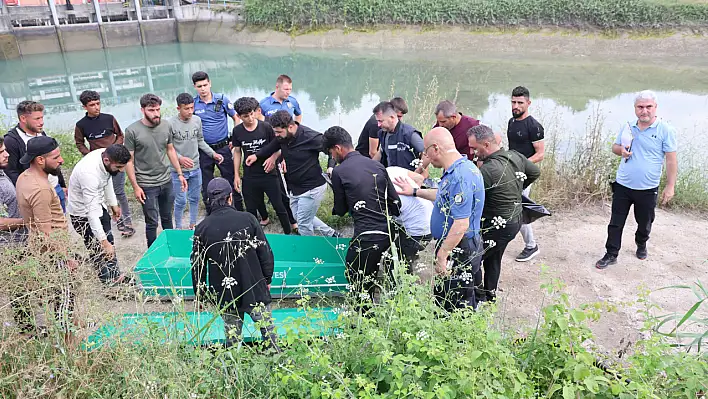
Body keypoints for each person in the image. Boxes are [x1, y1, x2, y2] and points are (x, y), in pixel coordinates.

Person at [395, 127, 485, 310]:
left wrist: (442, 255)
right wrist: (414, 191)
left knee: (455, 301)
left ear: (435, 148)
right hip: (454, 243)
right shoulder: (457, 168)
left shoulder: (461, 176)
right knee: (445, 294)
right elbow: (443, 195)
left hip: (460, 245)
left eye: (426, 152)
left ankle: (458, 336)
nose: (425, 158)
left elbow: (461, 223)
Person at [190, 178, 279, 349]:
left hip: (225, 291)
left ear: (208, 200)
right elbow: (265, 253)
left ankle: (233, 371)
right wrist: (267, 279)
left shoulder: (202, 228)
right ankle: (276, 362)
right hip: (254, 286)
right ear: (230, 197)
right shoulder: (248, 219)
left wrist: (200, 294)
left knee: (232, 338)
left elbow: (197, 265)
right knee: (268, 332)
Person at [596, 90, 678, 269]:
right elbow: (615, 147)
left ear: (655, 108)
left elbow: (671, 159)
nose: (644, 111)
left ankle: (641, 243)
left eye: (649, 107)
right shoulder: (628, 127)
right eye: (640, 107)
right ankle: (611, 253)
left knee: (645, 222)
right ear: (635, 109)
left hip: (648, 188)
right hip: (623, 185)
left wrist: (670, 186)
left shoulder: (665, 130)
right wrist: (621, 151)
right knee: (615, 223)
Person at [324, 126, 401, 300]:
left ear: (337, 148)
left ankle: (364, 316)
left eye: (331, 153)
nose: (333, 158)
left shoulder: (339, 172)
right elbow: (396, 203)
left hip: (367, 236)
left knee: (354, 276)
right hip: (388, 233)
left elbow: (341, 210)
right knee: (370, 270)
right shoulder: (377, 165)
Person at [468, 124, 540, 301]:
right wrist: (517, 187)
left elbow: (470, 198)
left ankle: (478, 298)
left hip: (497, 224)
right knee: (494, 258)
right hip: (515, 220)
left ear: (486, 144)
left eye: (474, 148)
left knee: (472, 259)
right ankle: (490, 295)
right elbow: (535, 172)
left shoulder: (487, 170)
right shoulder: (515, 156)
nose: (472, 152)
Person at [15, 136, 77, 336]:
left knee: (61, 299)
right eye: (56, 157)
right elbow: (45, 232)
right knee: (65, 300)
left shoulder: (25, 176)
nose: (62, 161)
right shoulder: (40, 189)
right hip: (54, 253)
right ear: (40, 160)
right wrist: (67, 258)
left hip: (43, 249)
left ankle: (71, 327)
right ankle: (69, 344)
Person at [245, 110, 339, 237]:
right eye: (275, 132)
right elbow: (272, 147)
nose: (276, 135)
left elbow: (332, 150)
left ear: (290, 126)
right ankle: (332, 234)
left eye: (278, 132)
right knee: (299, 216)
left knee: (303, 224)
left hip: (312, 187)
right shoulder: (282, 137)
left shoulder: (310, 137)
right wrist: (256, 155)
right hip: (294, 187)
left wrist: (330, 167)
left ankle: (309, 251)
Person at [124, 94, 187, 248]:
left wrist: (179, 174)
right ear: (143, 110)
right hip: (146, 184)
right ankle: (152, 253)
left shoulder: (166, 126)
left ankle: (172, 248)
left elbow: (170, 150)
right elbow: (129, 161)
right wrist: (136, 187)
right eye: (151, 110)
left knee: (167, 217)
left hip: (166, 180)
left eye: (158, 109)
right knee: (151, 221)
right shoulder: (132, 131)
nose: (156, 113)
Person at [73, 90, 135, 237]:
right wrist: (89, 156)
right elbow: (79, 143)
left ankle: (127, 222)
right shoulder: (81, 125)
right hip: (100, 165)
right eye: (92, 105)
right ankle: (114, 223)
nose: (96, 107)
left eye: (98, 103)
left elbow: (120, 135)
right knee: (103, 194)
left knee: (119, 192)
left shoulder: (109, 119)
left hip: (115, 161)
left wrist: (113, 150)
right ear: (84, 107)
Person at [67, 145, 131, 285]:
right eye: (119, 167)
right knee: (97, 247)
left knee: (110, 241)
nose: (121, 171)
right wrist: (103, 241)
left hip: (99, 206)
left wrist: (113, 205)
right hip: (82, 214)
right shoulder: (89, 173)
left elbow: (106, 180)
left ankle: (115, 276)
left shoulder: (104, 156)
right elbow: (92, 214)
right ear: (107, 160)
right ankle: (107, 283)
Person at [231, 97, 292, 234]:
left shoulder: (266, 127)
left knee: (279, 205)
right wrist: (236, 174)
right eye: (246, 116)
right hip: (250, 175)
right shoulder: (237, 131)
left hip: (269, 173)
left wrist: (273, 158)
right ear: (240, 117)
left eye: (252, 114)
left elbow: (278, 146)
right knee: (251, 208)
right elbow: (237, 152)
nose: (251, 118)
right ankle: (254, 237)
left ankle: (288, 233)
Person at [169, 93, 224, 230]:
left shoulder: (197, 120)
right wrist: (180, 158)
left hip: (195, 168)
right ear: (178, 108)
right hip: (178, 170)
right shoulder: (170, 124)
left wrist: (213, 154)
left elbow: (200, 140)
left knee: (194, 198)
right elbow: (167, 147)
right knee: (181, 201)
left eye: (191, 108)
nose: (189, 111)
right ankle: (178, 227)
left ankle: (193, 224)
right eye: (186, 108)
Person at [191, 71, 243, 211]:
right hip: (203, 150)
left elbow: (236, 118)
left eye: (205, 85)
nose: (203, 88)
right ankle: (212, 212)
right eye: (199, 86)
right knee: (206, 183)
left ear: (210, 84)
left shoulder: (222, 99)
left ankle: (237, 210)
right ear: (195, 87)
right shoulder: (193, 104)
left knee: (231, 179)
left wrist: (234, 138)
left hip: (223, 147)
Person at [3, 101, 68, 212]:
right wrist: (27, 193)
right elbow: (12, 172)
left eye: (42, 118)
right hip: (37, 193)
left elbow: (54, 159)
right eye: (37, 119)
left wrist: (62, 184)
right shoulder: (11, 140)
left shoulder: (40, 133)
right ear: (23, 118)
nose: (41, 122)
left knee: (61, 223)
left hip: (55, 188)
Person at [507, 86, 545, 262]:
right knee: (510, 207)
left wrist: (522, 166)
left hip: (523, 176)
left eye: (520, 103)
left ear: (528, 103)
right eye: (513, 102)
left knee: (519, 210)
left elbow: (540, 153)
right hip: (510, 172)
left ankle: (531, 246)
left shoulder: (534, 126)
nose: (516, 106)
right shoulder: (511, 122)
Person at [386, 166, 433, 270]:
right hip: (430, 220)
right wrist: (413, 197)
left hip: (419, 231)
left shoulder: (379, 186)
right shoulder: (391, 170)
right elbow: (420, 178)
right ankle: (410, 255)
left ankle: (404, 281)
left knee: (391, 261)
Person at [372, 101, 424, 171]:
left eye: (381, 121)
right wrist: (369, 167)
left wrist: (417, 172)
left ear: (392, 118)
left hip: (409, 179)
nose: (378, 125)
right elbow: (381, 152)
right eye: (377, 121)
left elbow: (427, 153)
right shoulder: (383, 134)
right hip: (392, 178)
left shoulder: (409, 134)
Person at [0, 136, 26, 247]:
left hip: (18, 243)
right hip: (7, 247)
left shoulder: (2, 172)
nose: (7, 154)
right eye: (1, 152)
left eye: (5, 150)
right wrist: (29, 221)